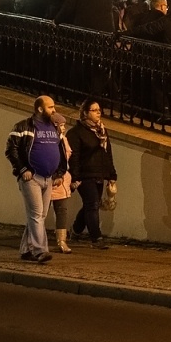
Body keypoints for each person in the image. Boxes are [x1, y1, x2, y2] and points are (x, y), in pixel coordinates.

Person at [5, 94, 67, 262]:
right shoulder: (24, 126)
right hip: (31, 177)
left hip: (48, 178)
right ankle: (40, 251)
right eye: (50, 107)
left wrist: (59, 173)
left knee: (39, 215)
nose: (54, 110)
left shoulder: (54, 128)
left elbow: (61, 151)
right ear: (40, 109)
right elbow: (12, 150)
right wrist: (23, 168)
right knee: (36, 214)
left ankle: (26, 249)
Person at [66, 100, 118, 248]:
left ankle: (75, 231)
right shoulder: (76, 133)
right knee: (92, 204)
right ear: (85, 113)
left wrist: (112, 175)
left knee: (90, 205)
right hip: (84, 174)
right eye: (94, 110)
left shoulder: (101, 131)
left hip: (99, 173)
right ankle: (96, 238)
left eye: (99, 110)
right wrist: (75, 177)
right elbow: (73, 157)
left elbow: (107, 153)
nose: (98, 112)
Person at [48, 111, 74, 253]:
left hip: (62, 180)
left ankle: (62, 241)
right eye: (61, 125)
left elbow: (66, 159)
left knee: (62, 210)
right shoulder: (49, 140)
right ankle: (33, 239)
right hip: (50, 179)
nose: (63, 128)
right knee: (41, 212)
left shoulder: (63, 139)